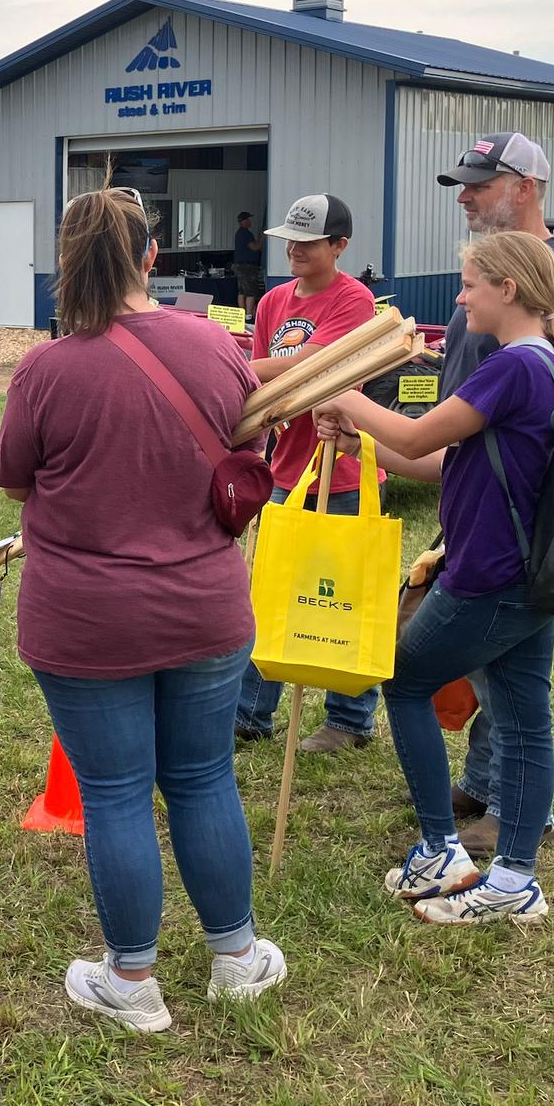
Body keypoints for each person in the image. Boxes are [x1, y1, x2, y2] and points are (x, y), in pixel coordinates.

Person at [0, 189, 286, 1034]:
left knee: (116, 792)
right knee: (202, 778)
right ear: (152, 256)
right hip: (204, 608)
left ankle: (133, 980)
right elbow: (247, 451)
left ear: (67, 261)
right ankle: (235, 957)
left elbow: (14, 479)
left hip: (87, 617)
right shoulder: (210, 343)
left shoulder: (46, 369)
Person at [314, 230, 554, 924]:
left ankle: (442, 849)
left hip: (489, 577)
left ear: (508, 289)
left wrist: (341, 393)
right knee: (527, 721)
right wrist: (363, 440)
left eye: (469, 283)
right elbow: (443, 461)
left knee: (403, 679)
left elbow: (417, 436)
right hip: (526, 577)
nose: (460, 294)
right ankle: (514, 881)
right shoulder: (536, 361)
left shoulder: (512, 367)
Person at [435, 132, 554, 854]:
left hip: (520, 520)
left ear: (525, 186)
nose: (466, 194)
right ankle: (484, 777)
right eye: (464, 184)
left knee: (513, 664)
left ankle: (517, 801)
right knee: (493, 663)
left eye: (480, 182)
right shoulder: (492, 272)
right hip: (474, 493)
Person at [232, 194, 383, 754]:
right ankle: (251, 713)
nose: (294, 250)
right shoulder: (273, 300)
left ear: (339, 245)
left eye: (308, 241)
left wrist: (235, 367)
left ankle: (349, 718)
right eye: (289, 240)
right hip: (284, 468)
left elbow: (307, 364)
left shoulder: (354, 300)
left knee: (341, 592)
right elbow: (270, 376)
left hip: (336, 465)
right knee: (268, 590)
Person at [233, 210, 266, 317]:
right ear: (244, 221)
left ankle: (241, 314)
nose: (250, 221)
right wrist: (261, 237)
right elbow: (255, 247)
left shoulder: (239, 233)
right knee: (251, 291)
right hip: (247, 267)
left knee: (242, 291)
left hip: (239, 266)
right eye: (248, 219)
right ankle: (248, 315)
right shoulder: (246, 233)